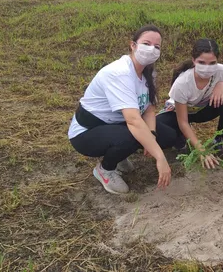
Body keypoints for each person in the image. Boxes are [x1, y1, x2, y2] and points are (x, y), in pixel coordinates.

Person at [68, 25, 173, 194]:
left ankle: (120, 154)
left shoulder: (149, 73)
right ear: (133, 45)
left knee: (167, 136)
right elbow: (133, 120)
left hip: (117, 124)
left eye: (157, 47)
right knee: (133, 135)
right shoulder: (119, 73)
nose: (151, 49)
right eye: (146, 43)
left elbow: (149, 110)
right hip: (87, 132)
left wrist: (151, 136)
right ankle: (105, 170)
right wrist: (160, 158)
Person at [157, 39, 223, 169]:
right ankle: (180, 139)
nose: (207, 68)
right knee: (158, 130)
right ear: (193, 60)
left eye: (212, 63)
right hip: (178, 113)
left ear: (217, 61)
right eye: (201, 63)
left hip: (204, 109)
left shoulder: (222, 71)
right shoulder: (182, 83)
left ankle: (219, 140)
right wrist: (201, 150)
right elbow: (183, 122)